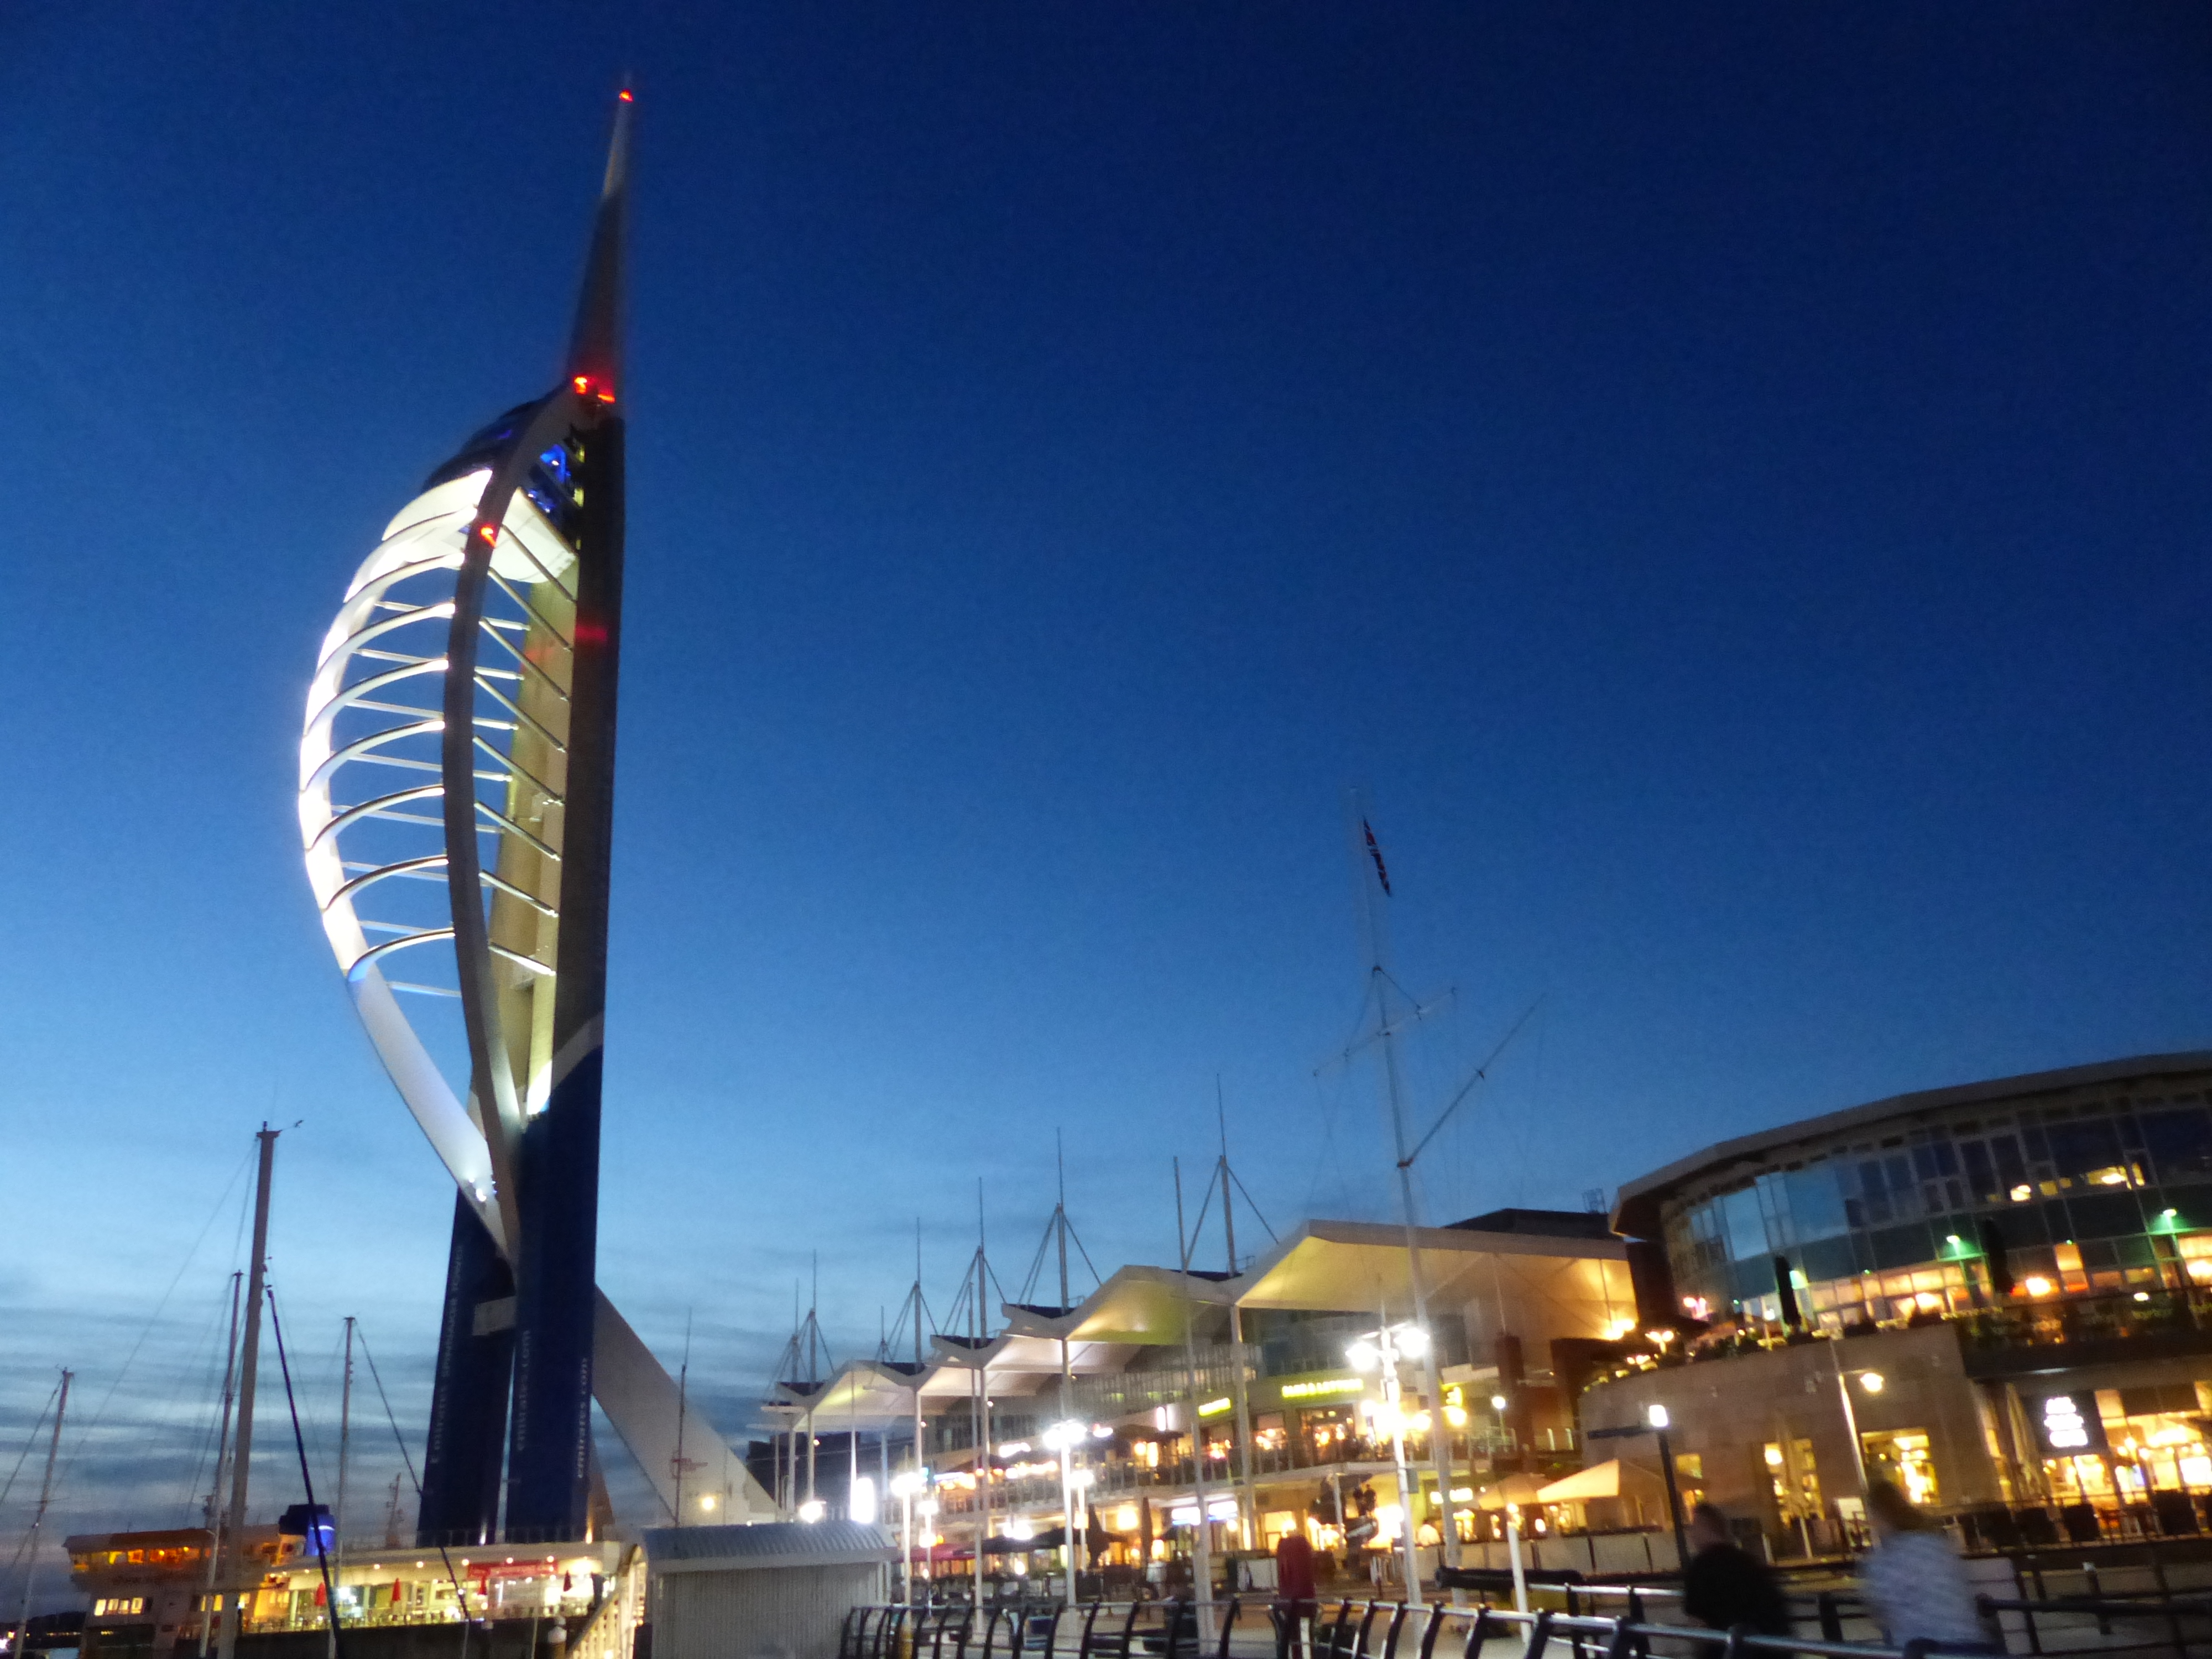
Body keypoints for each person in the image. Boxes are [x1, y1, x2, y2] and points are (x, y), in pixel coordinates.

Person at [1858, 1480, 1996, 1655]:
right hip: (1973, 1645)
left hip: (1925, 1649)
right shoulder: (1938, 1544)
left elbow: (1878, 1612)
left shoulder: (1885, 1560)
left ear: (1879, 1516)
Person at [1681, 1503, 1792, 1636]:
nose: (1691, 1534)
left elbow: (1697, 1622)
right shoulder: (1748, 1562)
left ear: (1703, 1527)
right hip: (1766, 1640)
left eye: (1693, 1527)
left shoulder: (1701, 1568)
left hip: (1727, 1642)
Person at [1273, 1530, 1318, 1659]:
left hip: (1289, 1604)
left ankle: (1297, 1655)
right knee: (1305, 1637)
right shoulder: (1301, 1547)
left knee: (1294, 1638)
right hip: (1305, 1603)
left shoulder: (1284, 1548)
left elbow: (1285, 1576)